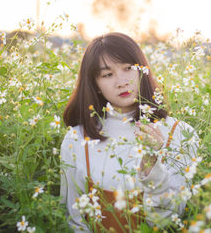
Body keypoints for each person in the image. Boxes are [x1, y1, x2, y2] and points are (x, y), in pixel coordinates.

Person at [60, 32, 199, 233]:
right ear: (95, 85)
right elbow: (74, 221)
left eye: (128, 69)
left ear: (143, 71)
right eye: (107, 74)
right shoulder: (77, 138)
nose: (121, 82)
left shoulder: (179, 133)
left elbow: (168, 222)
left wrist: (151, 160)